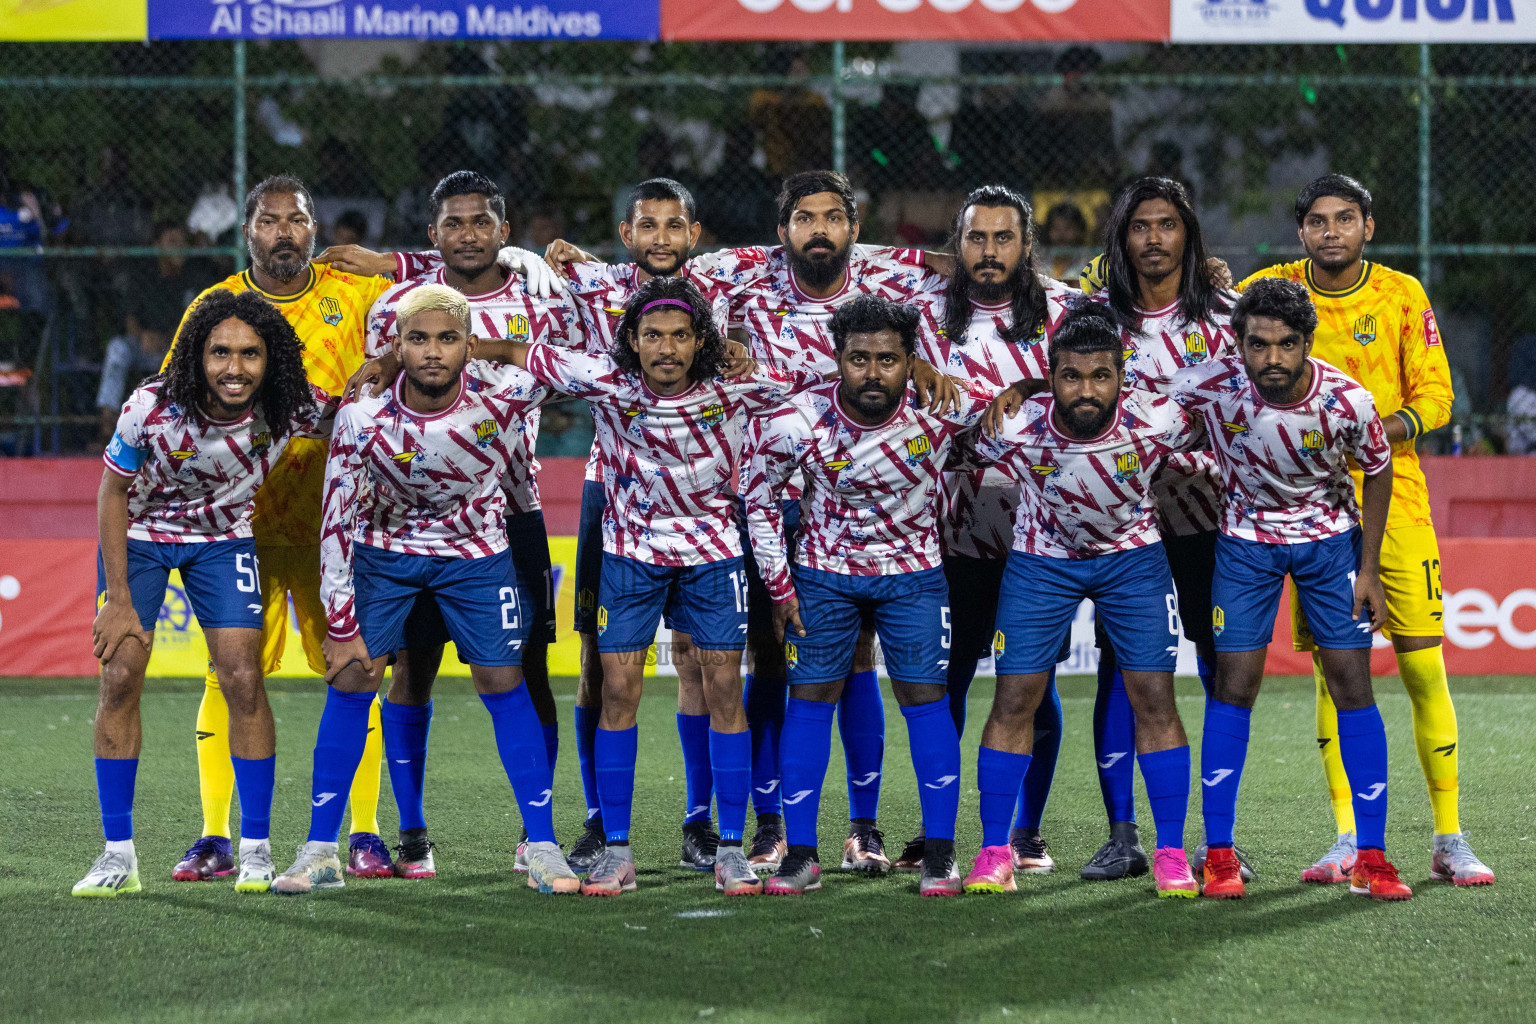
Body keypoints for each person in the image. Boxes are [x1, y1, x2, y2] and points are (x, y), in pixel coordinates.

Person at [494, 276, 822, 896]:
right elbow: (517, 353)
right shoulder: (607, 383)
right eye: (652, 336)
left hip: (713, 553)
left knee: (725, 689)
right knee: (619, 689)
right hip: (630, 555)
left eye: (679, 336)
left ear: (701, 340)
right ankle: (616, 849)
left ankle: (730, 847)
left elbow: (817, 381)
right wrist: (400, 358)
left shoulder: (737, 388)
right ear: (633, 341)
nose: (666, 349)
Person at [275, 284, 579, 895]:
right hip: (385, 558)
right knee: (354, 677)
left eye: (447, 339)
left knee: (504, 680)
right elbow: (335, 520)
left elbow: (578, 363)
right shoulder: (364, 418)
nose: (433, 352)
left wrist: (495, 345)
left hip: (476, 556)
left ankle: (543, 846)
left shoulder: (506, 396)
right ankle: (318, 851)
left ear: (468, 346)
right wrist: (339, 625)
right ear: (397, 347)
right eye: (417, 340)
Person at [1238, 174, 1493, 887]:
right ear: (1301, 233)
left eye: (1344, 219)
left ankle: (1450, 837)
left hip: (1398, 502)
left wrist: (1382, 429)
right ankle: (1348, 838)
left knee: (1420, 666)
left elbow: (1438, 396)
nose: (1330, 232)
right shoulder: (1276, 287)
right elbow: (1214, 310)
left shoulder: (1403, 296)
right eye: (1317, 221)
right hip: (1309, 506)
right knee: (1335, 676)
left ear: (1368, 227)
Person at [162, 175, 400, 883]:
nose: (285, 233)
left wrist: (392, 266)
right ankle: (214, 835)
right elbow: (177, 396)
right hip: (245, 525)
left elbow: (413, 351)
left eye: (297, 220)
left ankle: (364, 832)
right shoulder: (215, 307)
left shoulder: (355, 293)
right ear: (248, 232)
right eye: (270, 222)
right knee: (231, 674)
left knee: (356, 671)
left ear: (314, 227)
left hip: (338, 521)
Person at [74, 290, 333, 897]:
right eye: (220, 352)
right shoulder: (151, 407)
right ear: (197, 355)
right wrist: (118, 598)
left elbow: (362, 407)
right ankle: (117, 856)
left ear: (271, 361)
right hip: (139, 537)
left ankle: (257, 849)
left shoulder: (288, 405)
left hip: (222, 541)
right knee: (120, 677)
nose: (234, 367)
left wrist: (387, 368)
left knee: (243, 677)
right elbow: (111, 494)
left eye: (250, 353)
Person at [361, 171, 581, 878]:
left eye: (480, 221)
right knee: (412, 671)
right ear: (433, 236)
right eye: (453, 223)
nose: (467, 234)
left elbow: (562, 373)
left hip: (511, 513)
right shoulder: (394, 306)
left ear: (503, 230)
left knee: (526, 671)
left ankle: (533, 832)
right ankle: (414, 831)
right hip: (412, 520)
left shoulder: (539, 297)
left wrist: (484, 354)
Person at [1169, 277, 1412, 901]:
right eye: (1257, 345)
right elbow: (1138, 413)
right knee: (1235, 685)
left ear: (1307, 342)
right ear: (1239, 342)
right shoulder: (1213, 394)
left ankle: (1373, 857)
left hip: (1331, 544)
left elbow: (1379, 470)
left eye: (1284, 345)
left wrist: (1368, 568)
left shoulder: (1347, 401)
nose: (1270, 359)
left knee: (1351, 685)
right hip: (1244, 545)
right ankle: (1219, 856)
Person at [743, 295, 989, 897]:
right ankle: (801, 855)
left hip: (914, 576)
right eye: (858, 359)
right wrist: (779, 586)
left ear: (912, 362)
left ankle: (939, 855)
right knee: (811, 701)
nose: (872, 373)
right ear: (838, 358)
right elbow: (756, 494)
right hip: (824, 576)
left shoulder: (945, 408)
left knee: (925, 700)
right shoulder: (799, 418)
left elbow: (1022, 410)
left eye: (888, 359)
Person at [963, 301, 1201, 899]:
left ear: (1123, 377)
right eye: (1071, 376)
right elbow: (949, 437)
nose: (1087, 390)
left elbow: (1219, 433)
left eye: (1101, 376)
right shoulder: (1017, 424)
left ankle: (1171, 853)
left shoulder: (1157, 419)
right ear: (1052, 376)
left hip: (1133, 559)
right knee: (1015, 698)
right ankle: (996, 852)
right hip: (1042, 561)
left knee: (1155, 699)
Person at [902, 185, 1076, 876]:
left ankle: (1026, 832)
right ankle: (937, 829)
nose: (990, 251)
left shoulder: (1062, 310)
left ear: (1026, 244)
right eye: (977, 238)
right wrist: (911, 363)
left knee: (1032, 683)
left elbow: (1101, 385)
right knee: (947, 677)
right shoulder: (921, 313)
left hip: (1038, 524)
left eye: (1004, 238)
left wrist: (1029, 392)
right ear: (959, 243)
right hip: (945, 524)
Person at [1083, 177, 1237, 882]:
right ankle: (1124, 835)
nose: (1153, 238)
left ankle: (1216, 840)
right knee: (1124, 669)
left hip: (1210, 521)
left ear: (1187, 234)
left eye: (1166, 225)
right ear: (1122, 238)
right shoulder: (1094, 322)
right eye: (1139, 226)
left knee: (1217, 668)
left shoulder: (1227, 319)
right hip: (1124, 525)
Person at [96, 222, 211, 446]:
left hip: (179, 350)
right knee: (118, 349)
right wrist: (142, 336)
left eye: (182, 242)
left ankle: (196, 432)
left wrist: (171, 341)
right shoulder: (144, 275)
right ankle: (106, 427)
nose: (179, 248)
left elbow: (203, 325)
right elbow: (130, 319)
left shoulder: (194, 276)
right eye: (172, 242)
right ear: (157, 246)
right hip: (146, 347)